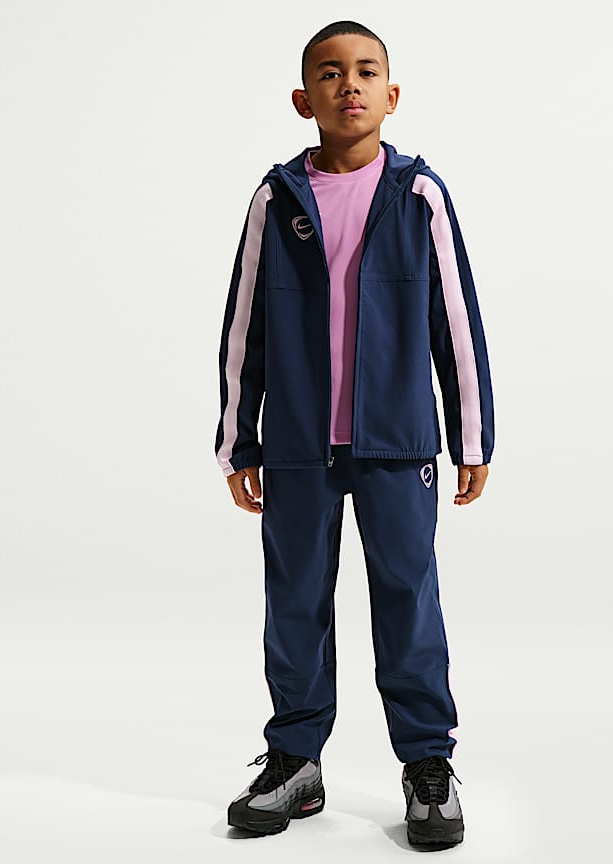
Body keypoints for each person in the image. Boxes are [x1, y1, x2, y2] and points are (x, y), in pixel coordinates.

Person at [214, 19, 494, 848]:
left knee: (407, 599)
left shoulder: (418, 195)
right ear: (303, 100)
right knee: (295, 601)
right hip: (299, 445)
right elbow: (244, 325)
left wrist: (471, 436)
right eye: (330, 74)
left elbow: (455, 321)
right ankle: (296, 761)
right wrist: (238, 440)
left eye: (366, 71)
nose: (350, 85)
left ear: (391, 94)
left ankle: (428, 764)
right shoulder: (276, 199)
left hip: (396, 443)